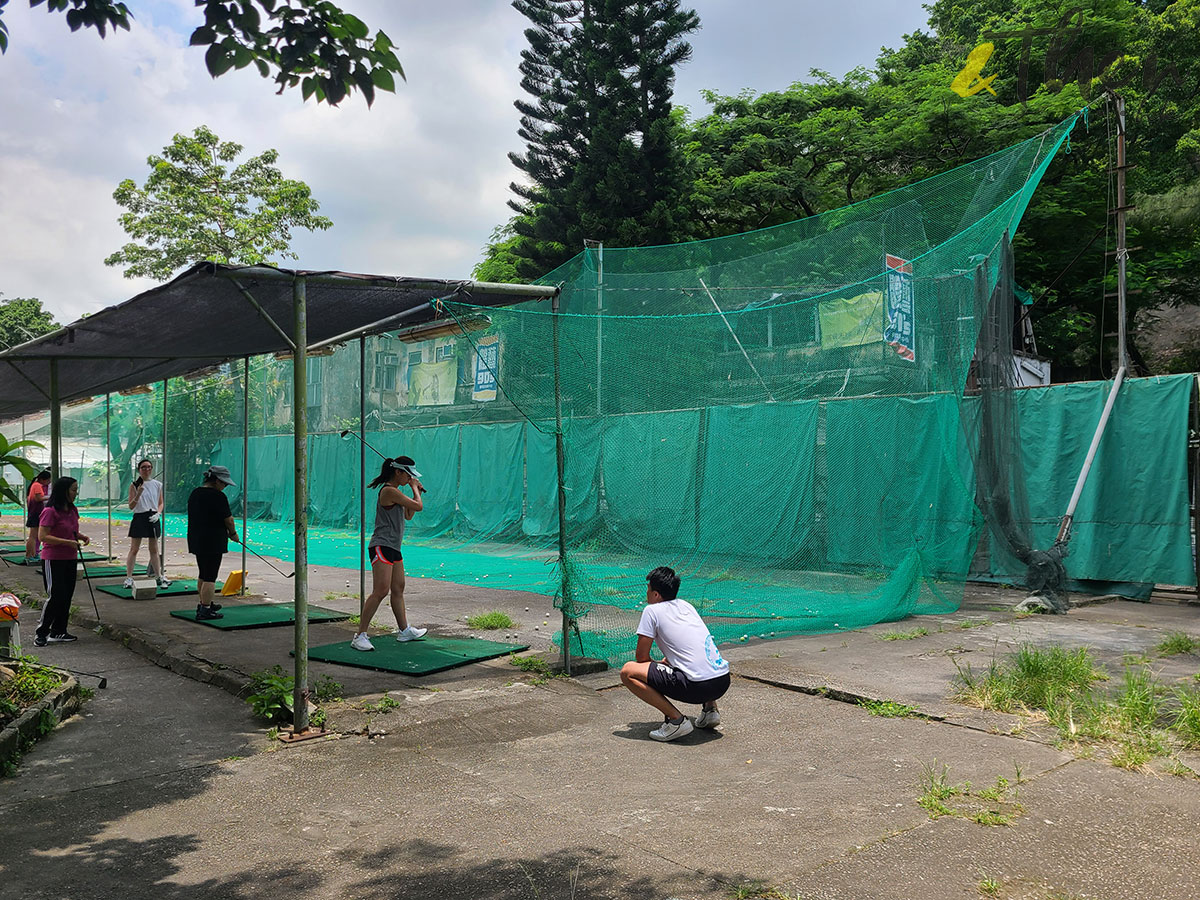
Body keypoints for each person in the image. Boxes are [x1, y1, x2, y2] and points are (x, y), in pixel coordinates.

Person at [619, 566, 731, 742]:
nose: (646, 593)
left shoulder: (651, 610)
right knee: (695, 662)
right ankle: (710, 711)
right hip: (722, 681)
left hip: (697, 687)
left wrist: (659, 665)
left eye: (648, 589)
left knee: (628, 672)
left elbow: (641, 658)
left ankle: (676, 721)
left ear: (656, 594)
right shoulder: (686, 605)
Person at [351, 455, 425, 651]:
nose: (409, 479)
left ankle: (404, 631)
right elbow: (418, 506)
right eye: (408, 475)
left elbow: (409, 514)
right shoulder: (389, 491)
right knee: (381, 590)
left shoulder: (397, 492)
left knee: (398, 588)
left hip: (394, 547)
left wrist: (413, 490)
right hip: (381, 546)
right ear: (398, 472)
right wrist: (415, 489)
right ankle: (360, 635)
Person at [34, 476, 92, 647]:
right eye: (73, 489)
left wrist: (81, 537)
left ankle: (59, 631)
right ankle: (42, 632)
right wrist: (68, 542)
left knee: (66, 595)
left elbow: (71, 530)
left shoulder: (72, 509)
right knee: (56, 595)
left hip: (70, 558)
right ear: (64, 491)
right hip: (53, 559)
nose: (76, 493)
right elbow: (43, 536)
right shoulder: (50, 511)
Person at [186, 465, 239, 621]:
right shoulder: (218, 496)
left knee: (203, 573)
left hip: (196, 539)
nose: (225, 487)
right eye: (224, 483)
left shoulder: (195, 493)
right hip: (213, 540)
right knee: (210, 576)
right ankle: (205, 610)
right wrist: (233, 534)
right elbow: (228, 519)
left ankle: (204, 603)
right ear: (216, 480)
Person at [124, 459, 170, 589]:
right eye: (143, 467)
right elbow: (131, 506)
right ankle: (129, 577)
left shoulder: (157, 484)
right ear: (139, 469)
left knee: (154, 549)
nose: (147, 469)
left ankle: (159, 575)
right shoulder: (134, 485)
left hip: (153, 516)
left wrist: (158, 513)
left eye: (149, 467)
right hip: (139, 516)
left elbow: (160, 502)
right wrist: (138, 494)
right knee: (134, 548)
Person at [24, 470, 51, 565]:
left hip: (35, 513)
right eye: (48, 480)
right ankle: (29, 556)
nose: (49, 482)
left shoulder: (35, 485)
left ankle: (33, 554)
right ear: (43, 479)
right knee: (33, 536)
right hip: (35, 513)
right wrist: (50, 497)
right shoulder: (37, 485)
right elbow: (38, 498)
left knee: (34, 536)